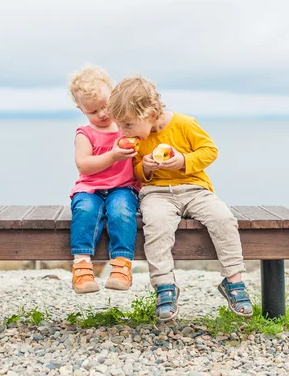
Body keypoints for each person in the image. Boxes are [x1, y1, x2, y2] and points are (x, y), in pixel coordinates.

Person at [107, 76, 253, 320]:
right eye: (120, 125)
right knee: (156, 225)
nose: (122, 131)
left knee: (223, 219)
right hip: (157, 193)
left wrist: (183, 161)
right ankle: (165, 286)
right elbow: (135, 171)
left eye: (128, 125)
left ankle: (234, 282)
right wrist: (146, 167)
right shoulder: (137, 141)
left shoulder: (184, 123)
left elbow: (210, 151)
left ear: (150, 113)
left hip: (194, 187)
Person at [67, 65, 140, 294]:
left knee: (121, 210)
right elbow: (84, 165)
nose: (102, 114)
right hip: (91, 188)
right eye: (93, 111)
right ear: (81, 110)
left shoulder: (126, 128)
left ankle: (121, 265)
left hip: (123, 186)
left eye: (105, 106)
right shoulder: (85, 133)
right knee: (85, 210)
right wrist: (112, 156)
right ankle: (81, 265)